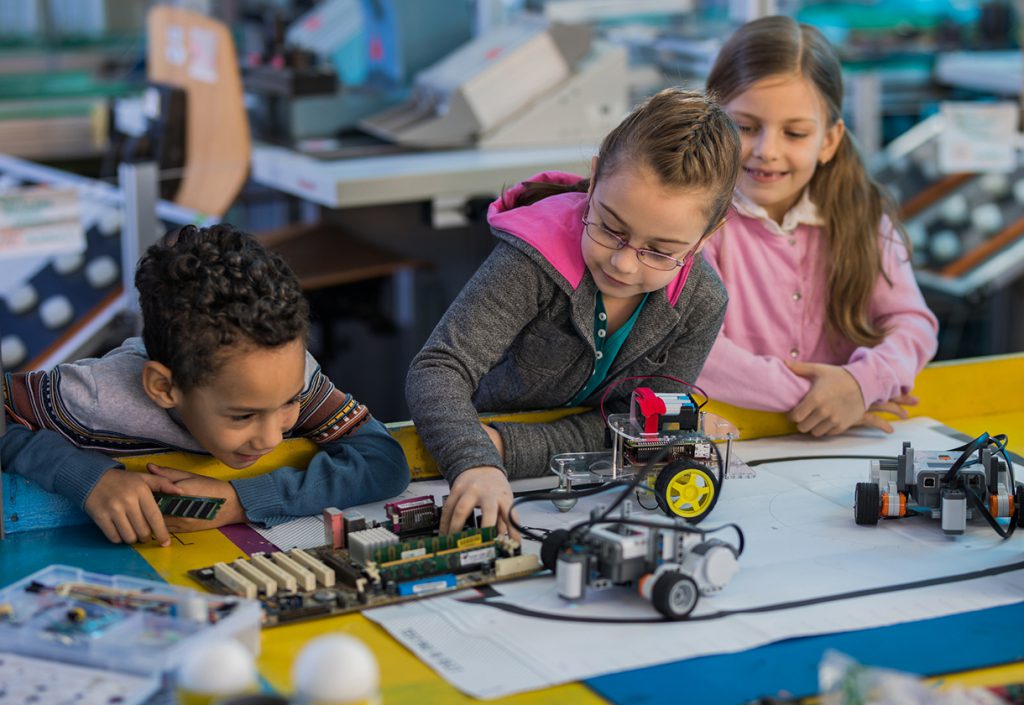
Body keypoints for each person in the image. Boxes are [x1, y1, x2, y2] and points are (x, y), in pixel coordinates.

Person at [406, 88, 740, 537]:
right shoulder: (532, 261)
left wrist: (507, 449)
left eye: (660, 251)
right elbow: (438, 368)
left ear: (705, 236)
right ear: (597, 175)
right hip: (472, 468)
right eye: (610, 227)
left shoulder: (701, 302)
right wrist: (475, 461)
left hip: (570, 484)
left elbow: (643, 433)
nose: (623, 263)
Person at [2, 224, 409, 546]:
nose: (270, 436)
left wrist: (240, 502)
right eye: (243, 415)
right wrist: (88, 478)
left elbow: (383, 461)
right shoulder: (95, 393)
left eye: (288, 403)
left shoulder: (291, 371)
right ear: (163, 388)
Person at [695, 16, 939, 437]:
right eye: (746, 127)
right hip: (732, 439)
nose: (767, 151)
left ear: (828, 140)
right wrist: (824, 395)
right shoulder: (692, 224)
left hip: (843, 439)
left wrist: (863, 383)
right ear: (712, 125)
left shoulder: (863, 219)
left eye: (795, 132)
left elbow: (914, 324)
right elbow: (697, 350)